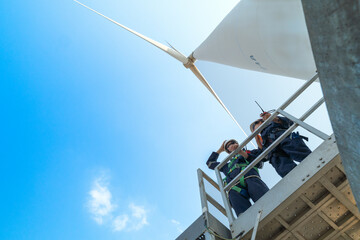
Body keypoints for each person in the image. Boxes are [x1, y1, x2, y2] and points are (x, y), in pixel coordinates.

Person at [206, 139, 269, 216]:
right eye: (228, 146)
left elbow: (260, 163)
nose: (231, 145)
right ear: (228, 151)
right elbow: (210, 163)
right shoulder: (226, 165)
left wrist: (241, 152)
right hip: (234, 188)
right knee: (244, 215)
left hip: (250, 178)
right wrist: (220, 150)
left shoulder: (249, 152)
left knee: (265, 200)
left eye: (233, 143)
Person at [251, 112, 312, 177]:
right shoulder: (262, 143)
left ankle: (312, 162)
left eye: (261, 120)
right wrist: (257, 140)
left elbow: (289, 122)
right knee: (288, 173)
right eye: (257, 122)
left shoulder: (274, 123)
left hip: (286, 139)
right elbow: (261, 158)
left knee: (306, 157)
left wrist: (273, 118)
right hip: (277, 156)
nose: (261, 121)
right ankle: (295, 178)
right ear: (254, 130)